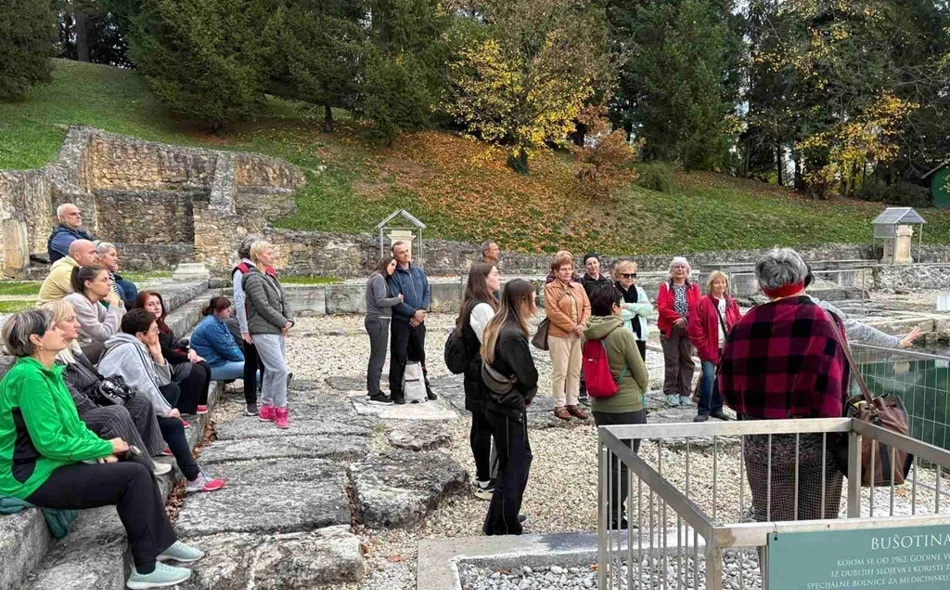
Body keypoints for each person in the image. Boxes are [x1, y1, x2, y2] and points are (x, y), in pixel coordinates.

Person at [0, 309, 204, 589]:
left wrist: (99, 449)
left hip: (50, 464)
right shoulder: (28, 378)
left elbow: (74, 427)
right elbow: (49, 442)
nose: (62, 331)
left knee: (135, 465)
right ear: (36, 339)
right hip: (30, 475)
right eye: (53, 328)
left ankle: (163, 542)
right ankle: (145, 569)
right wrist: (106, 444)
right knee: (132, 476)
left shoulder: (50, 372)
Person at [719, 248, 849, 524]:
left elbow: (727, 388)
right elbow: (837, 382)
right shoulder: (826, 321)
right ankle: (814, 568)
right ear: (804, 280)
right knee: (818, 521)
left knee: (772, 524)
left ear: (764, 288)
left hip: (762, 439)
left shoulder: (743, 325)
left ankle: (776, 568)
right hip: (817, 439)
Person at [98, 309, 225, 494]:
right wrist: (166, 410)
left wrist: (158, 355)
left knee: (172, 398)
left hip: (128, 406)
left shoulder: (133, 345)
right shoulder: (130, 349)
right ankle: (194, 477)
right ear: (140, 335)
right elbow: (145, 385)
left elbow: (162, 381)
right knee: (173, 423)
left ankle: (193, 476)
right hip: (119, 415)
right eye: (154, 330)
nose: (158, 333)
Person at [46, 299, 170, 476]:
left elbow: (95, 377)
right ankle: (142, 466)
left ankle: (149, 454)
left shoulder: (72, 349)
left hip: (93, 398)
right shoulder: (54, 358)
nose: (77, 324)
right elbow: (71, 396)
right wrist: (103, 406)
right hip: (77, 412)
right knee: (114, 414)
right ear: (54, 326)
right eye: (70, 319)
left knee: (139, 400)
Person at [584, 283, 650, 529]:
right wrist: (641, 390)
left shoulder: (587, 333)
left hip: (600, 404)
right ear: (614, 307)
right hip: (627, 404)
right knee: (624, 462)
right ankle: (615, 515)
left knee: (609, 460)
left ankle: (607, 508)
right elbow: (640, 371)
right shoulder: (621, 334)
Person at [481, 279, 538, 536]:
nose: (535, 304)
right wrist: (524, 392)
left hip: (499, 403)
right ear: (522, 301)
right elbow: (529, 376)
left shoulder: (498, 324)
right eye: (533, 298)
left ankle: (501, 517)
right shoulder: (513, 334)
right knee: (515, 462)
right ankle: (503, 523)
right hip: (508, 406)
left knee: (513, 460)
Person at [457, 263, 501, 501]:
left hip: (476, 369)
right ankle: (484, 479)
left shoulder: (473, 303)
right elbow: (491, 339)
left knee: (480, 424)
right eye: (495, 274)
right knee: (483, 425)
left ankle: (484, 476)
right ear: (483, 279)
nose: (498, 277)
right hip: (480, 371)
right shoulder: (482, 307)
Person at [243, 240, 295, 428]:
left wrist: (289, 320)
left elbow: (284, 300)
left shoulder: (272, 278)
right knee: (280, 369)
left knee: (272, 369)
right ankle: (281, 409)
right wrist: (282, 321)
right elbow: (261, 305)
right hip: (263, 330)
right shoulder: (253, 278)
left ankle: (266, 407)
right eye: (269, 252)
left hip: (277, 329)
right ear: (258, 255)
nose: (272, 256)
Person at [804, 267, 922, 349]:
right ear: (807, 281)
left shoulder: (789, 309)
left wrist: (897, 341)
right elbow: (861, 331)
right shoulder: (822, 310)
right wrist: (898, 343)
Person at [134, 291, 211, 416]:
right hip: (159, 364)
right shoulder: (144, 328)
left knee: (203, 364)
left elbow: (175, 344)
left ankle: (200, 403)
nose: (156, 307)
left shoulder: (161, 324)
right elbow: (165, 352)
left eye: (158, 303)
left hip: (169, 359)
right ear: (141, 308)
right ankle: (184, 408)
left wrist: (190, 351)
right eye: (151, 304)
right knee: (195, 370)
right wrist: (187, 358)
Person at [687, 271, 741, 423]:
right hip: (708, 346)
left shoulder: (731, 303)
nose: (720, 285)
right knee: (709, 377)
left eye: (723, 282)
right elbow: (695, 326)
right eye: (717, 282)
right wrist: (702, 345)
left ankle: (717, 408)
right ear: (711, 284)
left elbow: (737, 321)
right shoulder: (702, 302)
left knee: (721, 378)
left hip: (725, 346)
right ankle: (703, 409)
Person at [387, 241, 437, 404]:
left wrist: (421, 312)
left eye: (407, 251)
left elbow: (426, 292)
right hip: (402, 322)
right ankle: (395, 390)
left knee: (420, 354)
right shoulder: (393, 276)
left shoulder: (418, 272)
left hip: (419, 321)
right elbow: (396, 300)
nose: (406, 254)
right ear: (395, 256)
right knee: (399, 355)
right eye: (401, 252)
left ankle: (424, 385)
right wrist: (413, 313)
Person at [543, 251, 590, 421]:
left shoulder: (578, 287)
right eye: (563, 269)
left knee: (575, 370)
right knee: (560, 370)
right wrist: (572, 326)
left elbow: (587, 306)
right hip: (559, 335)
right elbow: (553, 312)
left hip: (577, 334)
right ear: (555, 272)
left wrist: (582, 324)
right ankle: (559, 404)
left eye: (569, 269)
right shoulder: (550, 288)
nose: (567, 272)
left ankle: (573, 402)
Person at [656, 257, 701, 407]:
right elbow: (662, 307)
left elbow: (697, 307)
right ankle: (671, 392)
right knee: (672, 360)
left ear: (687, 270)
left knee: (687, 360)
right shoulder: (665, 287)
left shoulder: (694, 287)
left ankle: (685, 393)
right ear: (672, 270)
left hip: (688, 329)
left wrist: (686, 320)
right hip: (671, 327)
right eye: (677, 267)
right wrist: (678, 319)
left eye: (682, 267)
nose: (680, 270)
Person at [232, 234, 267, 416]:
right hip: (252, 324)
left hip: (266, 322)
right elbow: (239, 300)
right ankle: (251, 401)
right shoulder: (241, 270)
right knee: (252, 363)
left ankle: (268, 398)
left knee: (268, 362)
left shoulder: (262, 269)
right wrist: (244, 328)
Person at [63, 266, 125, 364]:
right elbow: (105, 334)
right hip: (72, 353)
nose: (109, 284)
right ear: (88, 284)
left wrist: (118, 303)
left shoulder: (93, 302)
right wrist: (114, 306)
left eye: (109, 279)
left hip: (87, 347)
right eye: (104, 280)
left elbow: (122, 324)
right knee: (118, 344)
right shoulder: (76, 301)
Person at [364, 256, 403, 405]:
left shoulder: (377, 277)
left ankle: (373, 389)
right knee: (378, 358)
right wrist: (397, 299)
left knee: (376, 356)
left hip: (378, 320)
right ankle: (374, 393)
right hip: (379, 320)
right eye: (392, 264)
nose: (394, 267)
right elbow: (380, 301)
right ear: (385, 264)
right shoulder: (379, 278)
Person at [190, 296, 251, 382]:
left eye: (229, 307)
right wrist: (243, 359)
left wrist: (243, 358)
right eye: (225, 308)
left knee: (251, 368)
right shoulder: (211, 325)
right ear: (216, 311)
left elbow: (232, 343)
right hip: (212, 366)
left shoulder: (219, 322)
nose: (229, 310)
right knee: (249, 368)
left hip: (219, 362)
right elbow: (225, 349)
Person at [37, 239, 99, 306]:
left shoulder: (75, 267)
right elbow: (87, 295)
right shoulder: (65, 271)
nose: (97, 256)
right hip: (50, 312)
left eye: (96, 252)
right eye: (91, 253)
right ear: (77, 256)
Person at [612, 260, 653, 361]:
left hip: (640, 336)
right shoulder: (613, 291)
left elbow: (648, 310)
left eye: (633, 275)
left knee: (640, 366)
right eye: (626, 275)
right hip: (623, 336)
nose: (630, 278)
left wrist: (628, 306)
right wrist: (637, 310)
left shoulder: (639, 291)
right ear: (618, 276)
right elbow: (616, 314)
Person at [96, 241, 139, 309]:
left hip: (113, 278)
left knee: (129, 286)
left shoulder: (108, 269)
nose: (116, 259)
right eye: (112, 255)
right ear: (100, 256)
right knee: (118, 288)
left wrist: (112, 269)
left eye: (116, 256)